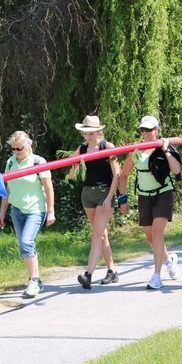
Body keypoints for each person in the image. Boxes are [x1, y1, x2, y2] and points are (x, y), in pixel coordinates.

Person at [118, 115, 182, 290]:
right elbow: (123, 175)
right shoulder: (136, 150)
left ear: (157, 130)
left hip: (163, 193)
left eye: (149, 130)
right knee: (150, 237)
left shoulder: (163, 147)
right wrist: (122, 198)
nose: (145, 133)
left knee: (157, 233)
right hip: (144, 195)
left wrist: (167, 149)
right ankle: (169, 259)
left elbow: (176, 170)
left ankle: (156, 275)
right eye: (142, 130)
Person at [0, 131, 55, 298]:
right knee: (24, 246)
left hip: (36, 209)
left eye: (19, 148)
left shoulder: (38, 161)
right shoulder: (10, 162)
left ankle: (34, 281)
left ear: (28, 145)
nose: (16, 152)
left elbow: (49, 188)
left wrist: (51, 211)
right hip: (16, 209)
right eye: (13, 149)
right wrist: (2, 212)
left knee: (26, 241)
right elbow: (7, 189)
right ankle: (34, 280)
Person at [67, 116, 121, 289]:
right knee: (101, 235)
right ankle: (112, 271)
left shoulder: (107, 146)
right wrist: (73, 168)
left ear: (98, 131)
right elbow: (72, 171)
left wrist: (109, 197)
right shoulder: (82, 148)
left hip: (104, 193)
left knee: (96, 236)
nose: (87, 136)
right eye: (85, 133)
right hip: (87, 193)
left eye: (91, 133)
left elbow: (117, 175)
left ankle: (88, 274)